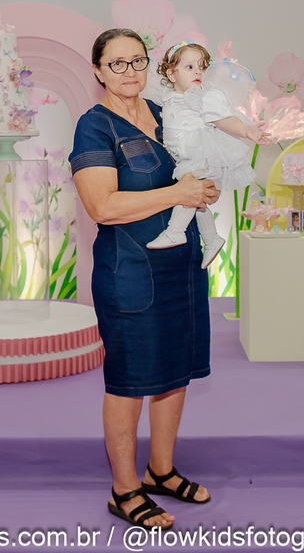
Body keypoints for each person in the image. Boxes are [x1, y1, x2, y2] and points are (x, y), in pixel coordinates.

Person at [70, 28, 220, 530]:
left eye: (138, 60)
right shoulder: (94, 127)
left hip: (182, 266)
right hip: (130, 271)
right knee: (130, 381)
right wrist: (179, 194)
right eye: (117, 63)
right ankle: (124, 488)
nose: (130, 71)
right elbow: (102, 206)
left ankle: (160, 470)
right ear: (98, 71)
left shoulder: (163, 111)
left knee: (175, 373)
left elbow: (188, 174)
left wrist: (203, 188)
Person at [146, 42, 266, 265]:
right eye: (189, 67)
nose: (198, 72)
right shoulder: (167, 94)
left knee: (189, 193)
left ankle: (175, 230)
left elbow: (224, 119)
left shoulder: (205, 95)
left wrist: (247, 130)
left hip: (201, 152)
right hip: (184, 155)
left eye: (202, 67)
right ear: (171, 74)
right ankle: (212, 239)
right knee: (198, 201)